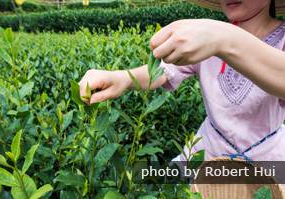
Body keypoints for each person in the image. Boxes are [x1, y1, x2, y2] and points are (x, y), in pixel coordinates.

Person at [79, 0, 285, 161]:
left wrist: (225, 39)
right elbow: (163, 72)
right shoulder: (207, 37)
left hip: (267, 159)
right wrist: (122, 78)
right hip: (207, 151)